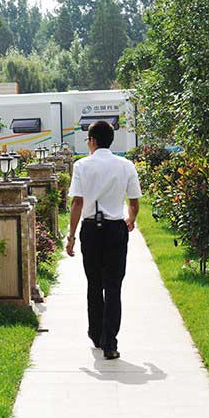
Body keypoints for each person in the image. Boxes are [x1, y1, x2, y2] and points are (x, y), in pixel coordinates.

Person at [65, 120, 142, 360]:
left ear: (93, 141)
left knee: (94, 284)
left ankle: (96, 334)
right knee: (114, 286)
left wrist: (70, 237)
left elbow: (77, 202)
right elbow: (134, 201)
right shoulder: (126, 165)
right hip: (115, 230)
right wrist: (131, 219)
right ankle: (111, 342)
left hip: (91, 230)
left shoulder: (82, 166)